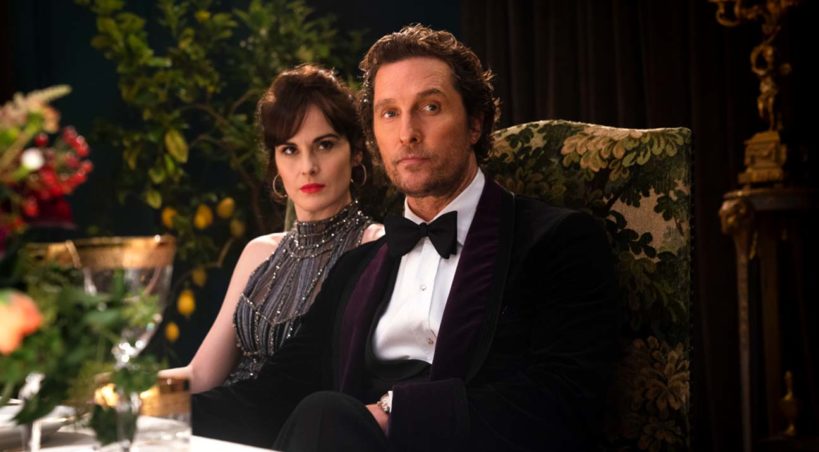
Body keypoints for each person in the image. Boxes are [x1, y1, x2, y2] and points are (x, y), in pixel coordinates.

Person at [193, 25, 620, 451]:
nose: (407, 133)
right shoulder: (355, 267)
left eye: (430, 107)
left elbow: (565, 399)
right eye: (389, 113)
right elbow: (274, 393)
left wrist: (394, 413)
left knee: (325, 415)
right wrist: (162, 410)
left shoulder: (557, 240)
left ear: (475, 123)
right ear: (373, 136)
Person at [162, 64, 383, 393]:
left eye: (324, 145)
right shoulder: (259, 252)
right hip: (225, 413)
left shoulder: (376, 246)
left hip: (304, 420)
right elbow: (201, 374)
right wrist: (129, 390)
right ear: (275, 163)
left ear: (356, 153)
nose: (307, 167)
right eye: (290, 150)